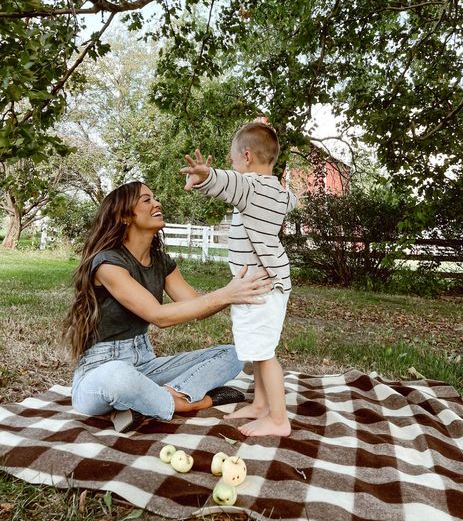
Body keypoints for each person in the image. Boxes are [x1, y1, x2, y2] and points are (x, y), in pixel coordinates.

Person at [62, 181, 271, 432]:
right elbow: (158, 316)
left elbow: (196, 306)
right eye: (146, 200)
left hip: (146, 365)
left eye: (155, 198)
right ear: (126, 216)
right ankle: (189, 404)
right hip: (99, 372)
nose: (157, 203)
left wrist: (235, 291)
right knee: (117, 375)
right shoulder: (107, 263)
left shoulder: (160, 262)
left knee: (232, 354)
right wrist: (224, 294)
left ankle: (153, 400)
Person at [181, 122, 297, 437]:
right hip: (268, 283)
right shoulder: (279, 190)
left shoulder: (251, 187)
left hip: (260, 286)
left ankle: (278, 419)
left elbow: (228, 182)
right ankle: (260, 404)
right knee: (259, 348)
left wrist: (206, 175)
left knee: (265, 354)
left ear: (246, 157)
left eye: (234, 160)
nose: (233, 166)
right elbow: (292, 202)